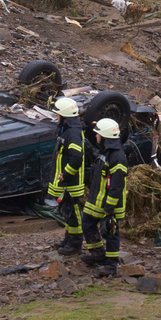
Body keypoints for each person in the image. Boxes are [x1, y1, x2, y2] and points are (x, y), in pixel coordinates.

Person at [79, 118, 128, 277]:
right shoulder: (106, 152)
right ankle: (98, 254)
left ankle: (111, 266)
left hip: (108, 205)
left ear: (105, 136)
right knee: (87, 223)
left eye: (98, 134)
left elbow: (117, 186)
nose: (96, 136)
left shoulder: (117, 157)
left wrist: (109, 209)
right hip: (97, 202)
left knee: (111, 233)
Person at [45, 97, 86, 255]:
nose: (56, 117)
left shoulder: (73, 133)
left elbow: (77, 157)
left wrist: (66, 174)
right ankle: (68, 240)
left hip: (72, 182)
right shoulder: (68, 130)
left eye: (58, 115)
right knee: (68, 211)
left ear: (64, 116)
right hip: (67, 181)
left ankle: (75, 245)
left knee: (74, 213)